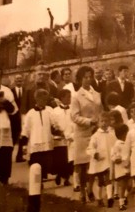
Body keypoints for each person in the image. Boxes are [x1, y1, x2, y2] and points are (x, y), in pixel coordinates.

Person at [70, 65, 103, 204]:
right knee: (83, 166)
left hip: (95, 132)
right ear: (80, 79)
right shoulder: (76, 96)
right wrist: (89, 121)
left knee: (94, 164)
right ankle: (83, 192)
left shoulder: (97, 94)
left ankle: (90, 189)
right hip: (82, 134)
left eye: (90, 77)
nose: (88, 80)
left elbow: (101, 112)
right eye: (85, 77)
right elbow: (74, 116)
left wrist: (100, 124)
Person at [21, 88, 57, 180]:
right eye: (43, 100)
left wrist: (56, 129)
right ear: (37, 99)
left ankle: (43, 177)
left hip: (46, 140)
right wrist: (24, 144)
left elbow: (54, 124)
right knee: (36, 163)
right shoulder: (30, 113)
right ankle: (38, 181)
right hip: (35, 142)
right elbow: (26, 129)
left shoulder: (49, 111)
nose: (45, 102)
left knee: (46, 162)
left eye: (46, 100)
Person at [87, 110, 112, 207]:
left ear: (109, 122)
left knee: (108, 179)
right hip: (99, 161)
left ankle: (110, 198)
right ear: (98, 123)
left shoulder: (111, 134)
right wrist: (94, 154)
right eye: (102, 121)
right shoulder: (95, 136)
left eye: (106, 121)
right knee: (101, 181)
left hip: (108, 161)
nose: (104, 123)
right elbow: (89, 148)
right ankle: (99, 198)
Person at [51, 88, 73, 187]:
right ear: (62, 98)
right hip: (60, 138)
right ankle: (59, 174)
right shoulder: (55, 111)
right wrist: (59, 132)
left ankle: (66, 178)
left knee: (69, 160)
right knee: (61, 159)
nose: (70, 99)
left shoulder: (72, 109)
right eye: (68, 97)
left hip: (70, 137)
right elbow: (53, 125)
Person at [111, 122, 130, 211]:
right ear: (123, 134)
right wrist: (116, 159)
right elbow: (113, 155)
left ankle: (125, 197)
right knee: (122, 185)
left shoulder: (127, 143)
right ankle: (121, 203)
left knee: (128, 185)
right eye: (127, 133)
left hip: (128, 167)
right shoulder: (117, 144)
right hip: (120, 168)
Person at [11, 73, 25, 162]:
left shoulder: (26, 90)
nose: (19, 81)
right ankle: (9, 155)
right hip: (14, 117)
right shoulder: (10, 91)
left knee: (23, 136)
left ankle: (19, 156)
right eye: (17, 79)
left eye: (20, 79)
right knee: (13, 136)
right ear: (14, 81)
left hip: (23, 116)